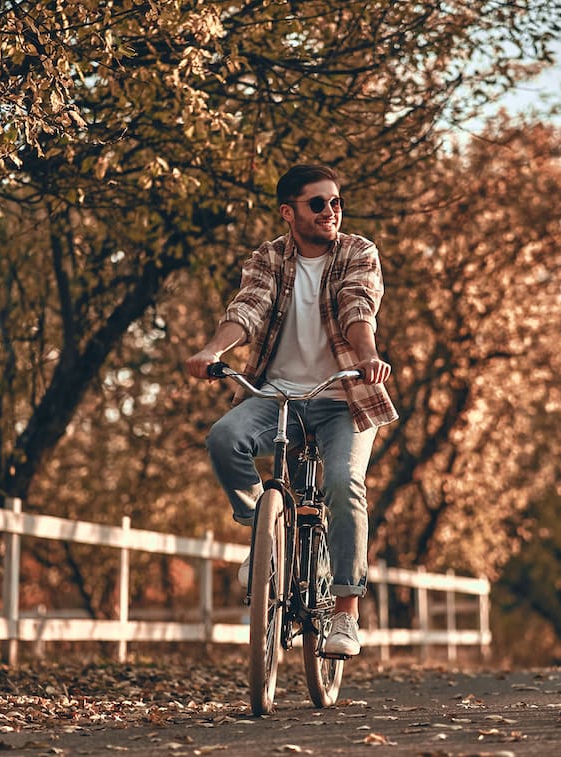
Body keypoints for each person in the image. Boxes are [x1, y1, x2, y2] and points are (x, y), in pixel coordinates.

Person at [187, 164, 396, 657]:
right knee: (223, 438)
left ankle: (346, 614)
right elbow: (248, 308)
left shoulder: (357, 252)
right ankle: (265, 541)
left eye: (337, 202)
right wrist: (213, 351)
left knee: (344, 483)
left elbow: (356, 305)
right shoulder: (269, 258)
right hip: (274, 395)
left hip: (343, 397)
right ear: (289, 212)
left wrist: (367, 356)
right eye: (318, 203)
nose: (331, 212)